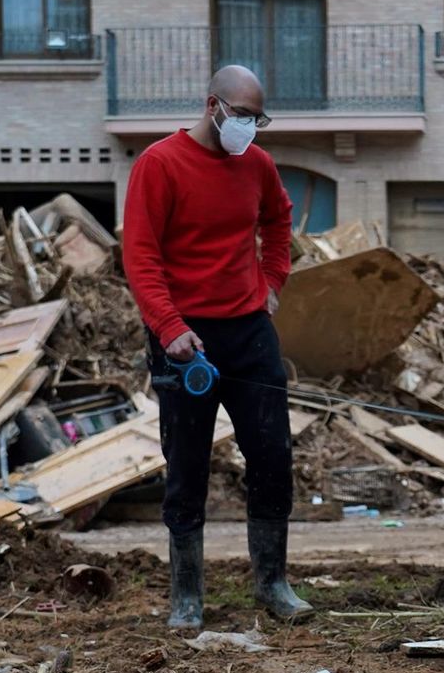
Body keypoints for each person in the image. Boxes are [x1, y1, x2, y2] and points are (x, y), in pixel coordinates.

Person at [122, 64, 311, 630]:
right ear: (213, 106)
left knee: (272, 456)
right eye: (243, 115)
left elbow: (279, 221)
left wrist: (273, 280)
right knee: (187, 466)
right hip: (186, 339)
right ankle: (187, 597)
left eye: (258, 118)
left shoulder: (257, 165)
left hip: (249, 331)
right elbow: (140, 255)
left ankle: (273, 584)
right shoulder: (159, 164)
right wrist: (169, 327)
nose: (249, 127)